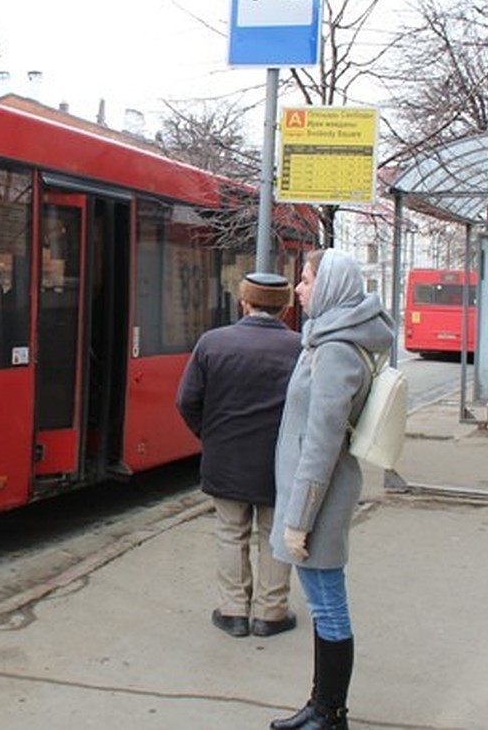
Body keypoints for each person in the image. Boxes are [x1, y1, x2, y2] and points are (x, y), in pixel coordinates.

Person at [268, 249, 394, 730]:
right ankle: (319, 706)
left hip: (318, 501)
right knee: (323, 607)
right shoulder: (326, 339)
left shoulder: (337, 350)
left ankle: (331, 713)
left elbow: (321, 444)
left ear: (331, 285)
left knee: (328, 607)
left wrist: (298, 521)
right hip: (313, 496)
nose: (298, 289)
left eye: (305, 279)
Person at [176, 271, 303, 639]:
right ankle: (271, 613)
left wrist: (210, 435)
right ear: (283, 308)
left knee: (230, 534)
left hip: (225, 458)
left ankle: (233, 611)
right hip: (278, 464)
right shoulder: (300, 347)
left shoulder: (212, 343)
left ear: (244, 302)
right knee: (273, 535)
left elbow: (186, 400)